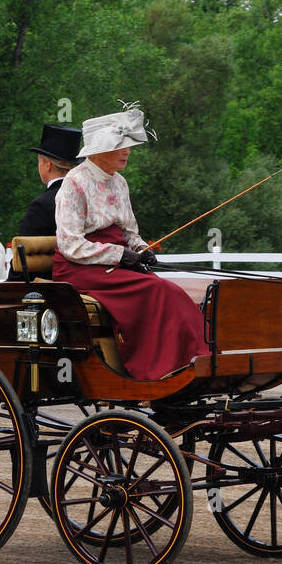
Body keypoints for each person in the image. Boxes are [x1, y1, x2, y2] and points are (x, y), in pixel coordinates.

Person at [53, 103, 207, 382]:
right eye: (120, 146)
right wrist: (119, 255)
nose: (127, 151)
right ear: (98, 150)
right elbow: (70, 245)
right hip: (79, 267)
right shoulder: (74, 183)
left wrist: (140, 249)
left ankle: (192, 361)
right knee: (156, 291)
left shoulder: (120, 183)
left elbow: (128, 232)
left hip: (113, 263)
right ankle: (154, 371)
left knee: (172, 292)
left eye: (127, 146)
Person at [19, 124, 84, 237]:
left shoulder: (40, 207)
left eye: (39, 161)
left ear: (48, 165)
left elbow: (26, 249)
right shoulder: (87, 196)